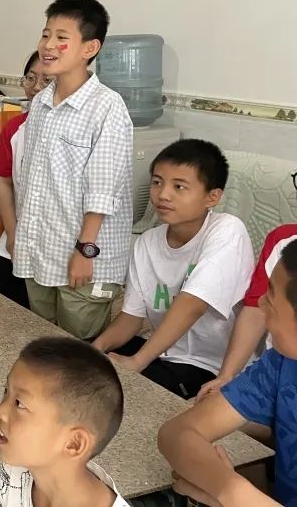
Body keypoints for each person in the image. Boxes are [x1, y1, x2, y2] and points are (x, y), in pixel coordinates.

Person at [92, 140, 254, 399]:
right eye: (157, 182)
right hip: (163, 351)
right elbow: (131, 318)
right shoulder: (147, 242)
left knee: (121, 391)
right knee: (87, 365)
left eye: (179, 186)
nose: (163, 194)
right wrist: (95, 349)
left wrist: (137, 362)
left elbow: (193, 304)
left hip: (208, 365)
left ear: (212, 197)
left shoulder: (227, 231)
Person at [13, 0, 134, 340]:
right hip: (40, 252)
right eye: (45, 34)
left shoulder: (107, 107)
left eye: (61, 37)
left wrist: (85, 250)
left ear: (89, 48)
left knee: (76, 353)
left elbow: (103, 189)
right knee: (43, 342)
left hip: (83, 258)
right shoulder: (40, 103)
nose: (49, 45)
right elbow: (32, 179)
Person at [158, 241, 297, 506]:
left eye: (270, 299)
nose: (260, 303)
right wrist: (230, 489)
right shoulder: (282, 363)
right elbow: (176, 433)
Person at [0, 337, 129, 507]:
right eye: (6, 391)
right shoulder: (11, 475)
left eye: (19, 403)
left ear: (74, 443)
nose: (0, 411)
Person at [197, 220, 297, 400]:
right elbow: (255, 310)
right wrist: (226, 376)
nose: (263, 302)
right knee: (203, 406)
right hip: (271, 376)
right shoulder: (285, 240)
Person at [0, 51, 49, 308]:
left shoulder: (79, 129)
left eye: (46, 81)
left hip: (58, 241)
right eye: (30, 78)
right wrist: (11, 233)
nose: (35, 87)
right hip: (19, 232)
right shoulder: (15, 127)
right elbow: (4, 181)